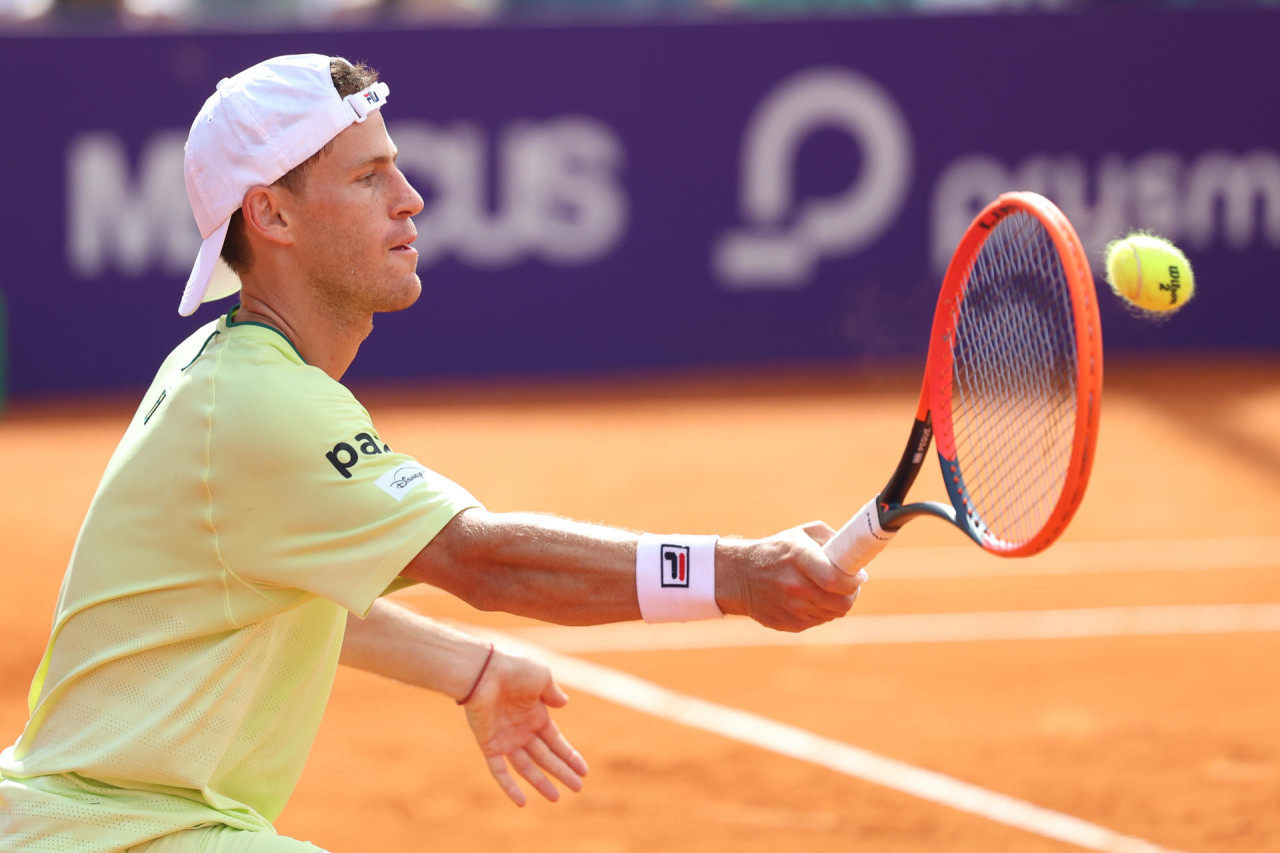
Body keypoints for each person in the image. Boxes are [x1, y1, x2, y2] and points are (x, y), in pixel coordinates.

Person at [0, 54, 868, 852]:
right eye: (370, 176)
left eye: (397, 168)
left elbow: (300, 589)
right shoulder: (261, 405)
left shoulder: (224, 374)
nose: (410, 197)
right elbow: (486, 561)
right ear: (270, 213)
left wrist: (472, 667)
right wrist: (737, 573)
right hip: (118, 829)